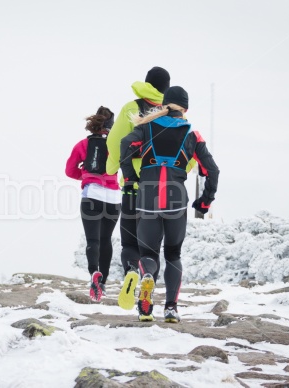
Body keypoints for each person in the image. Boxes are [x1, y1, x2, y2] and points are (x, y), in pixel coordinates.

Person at [119, 86, 220, 322]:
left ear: (165, 104)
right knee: (173, 254)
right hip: (175, 201)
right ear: (185, 108)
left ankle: (148, 282)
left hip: (147, 199)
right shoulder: (192, 135)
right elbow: (212, 170)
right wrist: (204, 201)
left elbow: (125, 145)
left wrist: (131, 178)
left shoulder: (145, 128)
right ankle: (171, 309)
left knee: (148, 253)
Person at [105, 67, 196, 310]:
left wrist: (116, 171)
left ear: (145, 83)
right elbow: (190, 154)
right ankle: (152, 301)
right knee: (165, 250)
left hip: (134, 187)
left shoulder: (131, 108)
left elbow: (115, 144)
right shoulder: (177, 115)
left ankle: (133, 271)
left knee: (132, 245)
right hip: (168, 190)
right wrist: (175, 176)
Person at [65, 106, 121, 302]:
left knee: (93, 241)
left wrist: (86, 174)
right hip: (114, 198)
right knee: (106, 240)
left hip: (92, 196)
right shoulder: (117, 145)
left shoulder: (82, 145)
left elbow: (70, 171)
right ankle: (103, 283)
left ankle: (93, 275)